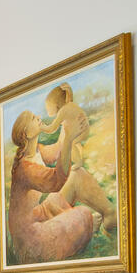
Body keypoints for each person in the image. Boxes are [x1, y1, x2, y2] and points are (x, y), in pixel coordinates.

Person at [7, 111, 106, 264]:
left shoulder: (36, 150)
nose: (39, 118)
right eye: (34, 119)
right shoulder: (24, 169)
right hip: (29, 239)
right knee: (83, 214)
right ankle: (87, 227)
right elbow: (55, 181)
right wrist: (68, 140)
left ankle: (109, 212)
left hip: (36, 215)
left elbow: (54, 152)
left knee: (76, 174)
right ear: (26, 133)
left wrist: (65, 125)